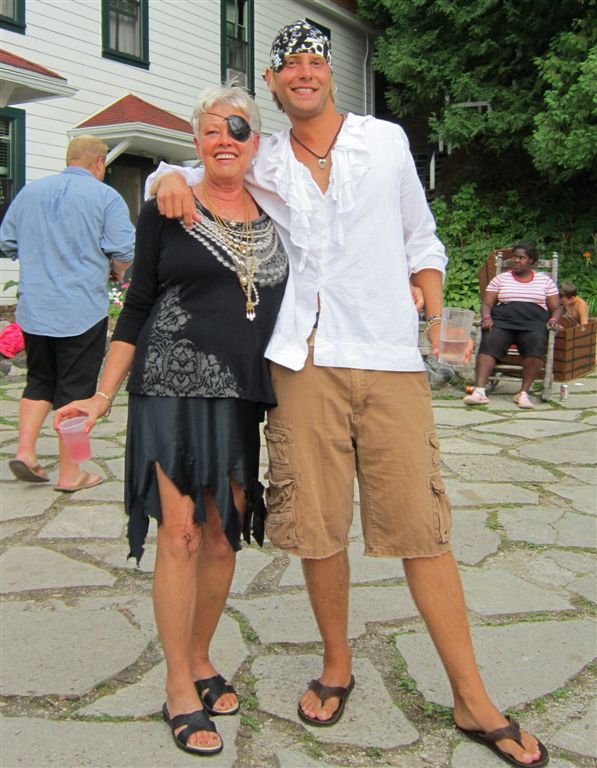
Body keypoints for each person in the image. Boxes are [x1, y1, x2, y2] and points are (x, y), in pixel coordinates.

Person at [148, 21, 549, 767]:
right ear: (272, 83)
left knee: (422, 528)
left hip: (389, 358)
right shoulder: (264, 156)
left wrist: (430, 295)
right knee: (317, 527)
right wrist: (161, 178)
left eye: (314, 61)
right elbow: (196, 165)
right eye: (289, 65)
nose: (303, 73)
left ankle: (472, 695)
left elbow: (421, 236)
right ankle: (336, 665)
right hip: (303, 363)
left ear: (329, 73)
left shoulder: (385, 141)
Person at [55, 85, 288, 757]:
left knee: (223, 537)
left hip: (240, 394)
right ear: (196, 142)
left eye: (237, 129)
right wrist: (102, 396)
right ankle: (178, 685)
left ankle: (201, 656)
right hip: (167, 386)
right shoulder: (166, 207)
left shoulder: (278, 210)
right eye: (211, 131)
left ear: (255, 142)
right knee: (180, 533)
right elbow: (137, 306)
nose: (224, 140)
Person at [0, 136, 134, 491]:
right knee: (77, 389)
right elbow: (124, 251)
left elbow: (7, 242)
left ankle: (26, 452)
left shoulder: (30, 192)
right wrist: (115, 270)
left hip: (35, 308)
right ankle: (71, 473)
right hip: (80, 309)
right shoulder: (106, 197)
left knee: (39, 380)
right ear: (99, 163)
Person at [464, 242, 561, 409]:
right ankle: (479, 391)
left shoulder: (545, 281)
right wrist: (486, 317)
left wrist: (553, 320)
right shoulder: (500, 279)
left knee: (536, 344)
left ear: (531, 260)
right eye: (515, 257)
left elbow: (556, 308)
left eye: (521, 257)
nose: (516, 260)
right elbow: (487, 304)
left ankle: (523, 393)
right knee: (490, 341)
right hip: (503, 321)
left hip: (533, 323)